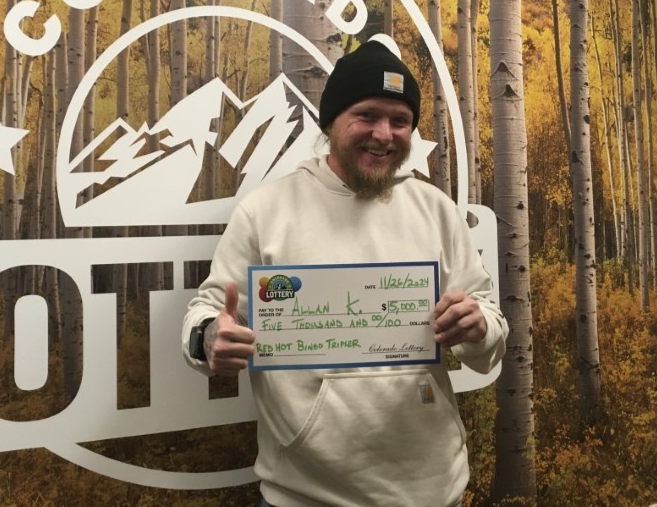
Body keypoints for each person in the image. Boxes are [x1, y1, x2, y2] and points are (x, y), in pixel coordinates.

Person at [182, 38, 508, 507]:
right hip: (305, 493)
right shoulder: (264, 212)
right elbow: (206, 314)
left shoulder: (436, 210)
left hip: (433, 489)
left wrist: (478, 326)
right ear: (331, 121)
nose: (384, 133)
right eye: (368, 115)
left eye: (400, 121)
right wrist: (210, 336)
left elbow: (489, 338)